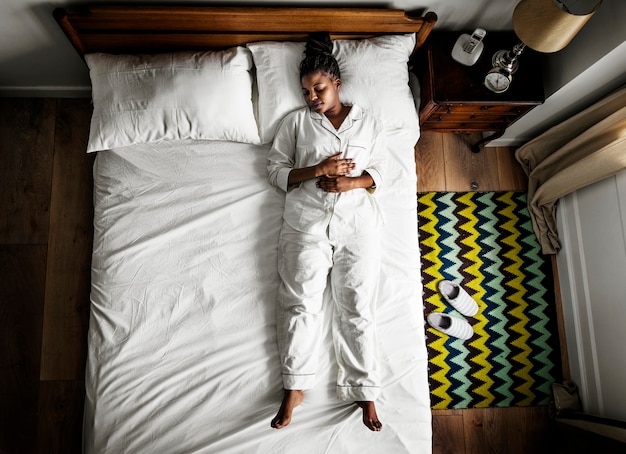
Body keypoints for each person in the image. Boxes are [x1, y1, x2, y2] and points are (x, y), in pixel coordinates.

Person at [267, 32, 386, 432]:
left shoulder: (368, 122)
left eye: (318, 88)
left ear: (336, 82)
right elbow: (275, 171)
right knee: (299, 303)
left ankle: (364, 390)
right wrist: (318, 171)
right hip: (307, 225)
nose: (312, 97)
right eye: (306, 92)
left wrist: (352, 183)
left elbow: (383, 172)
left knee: (356, 307)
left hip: (356, 226)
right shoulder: (296, 124)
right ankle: (295, 386)